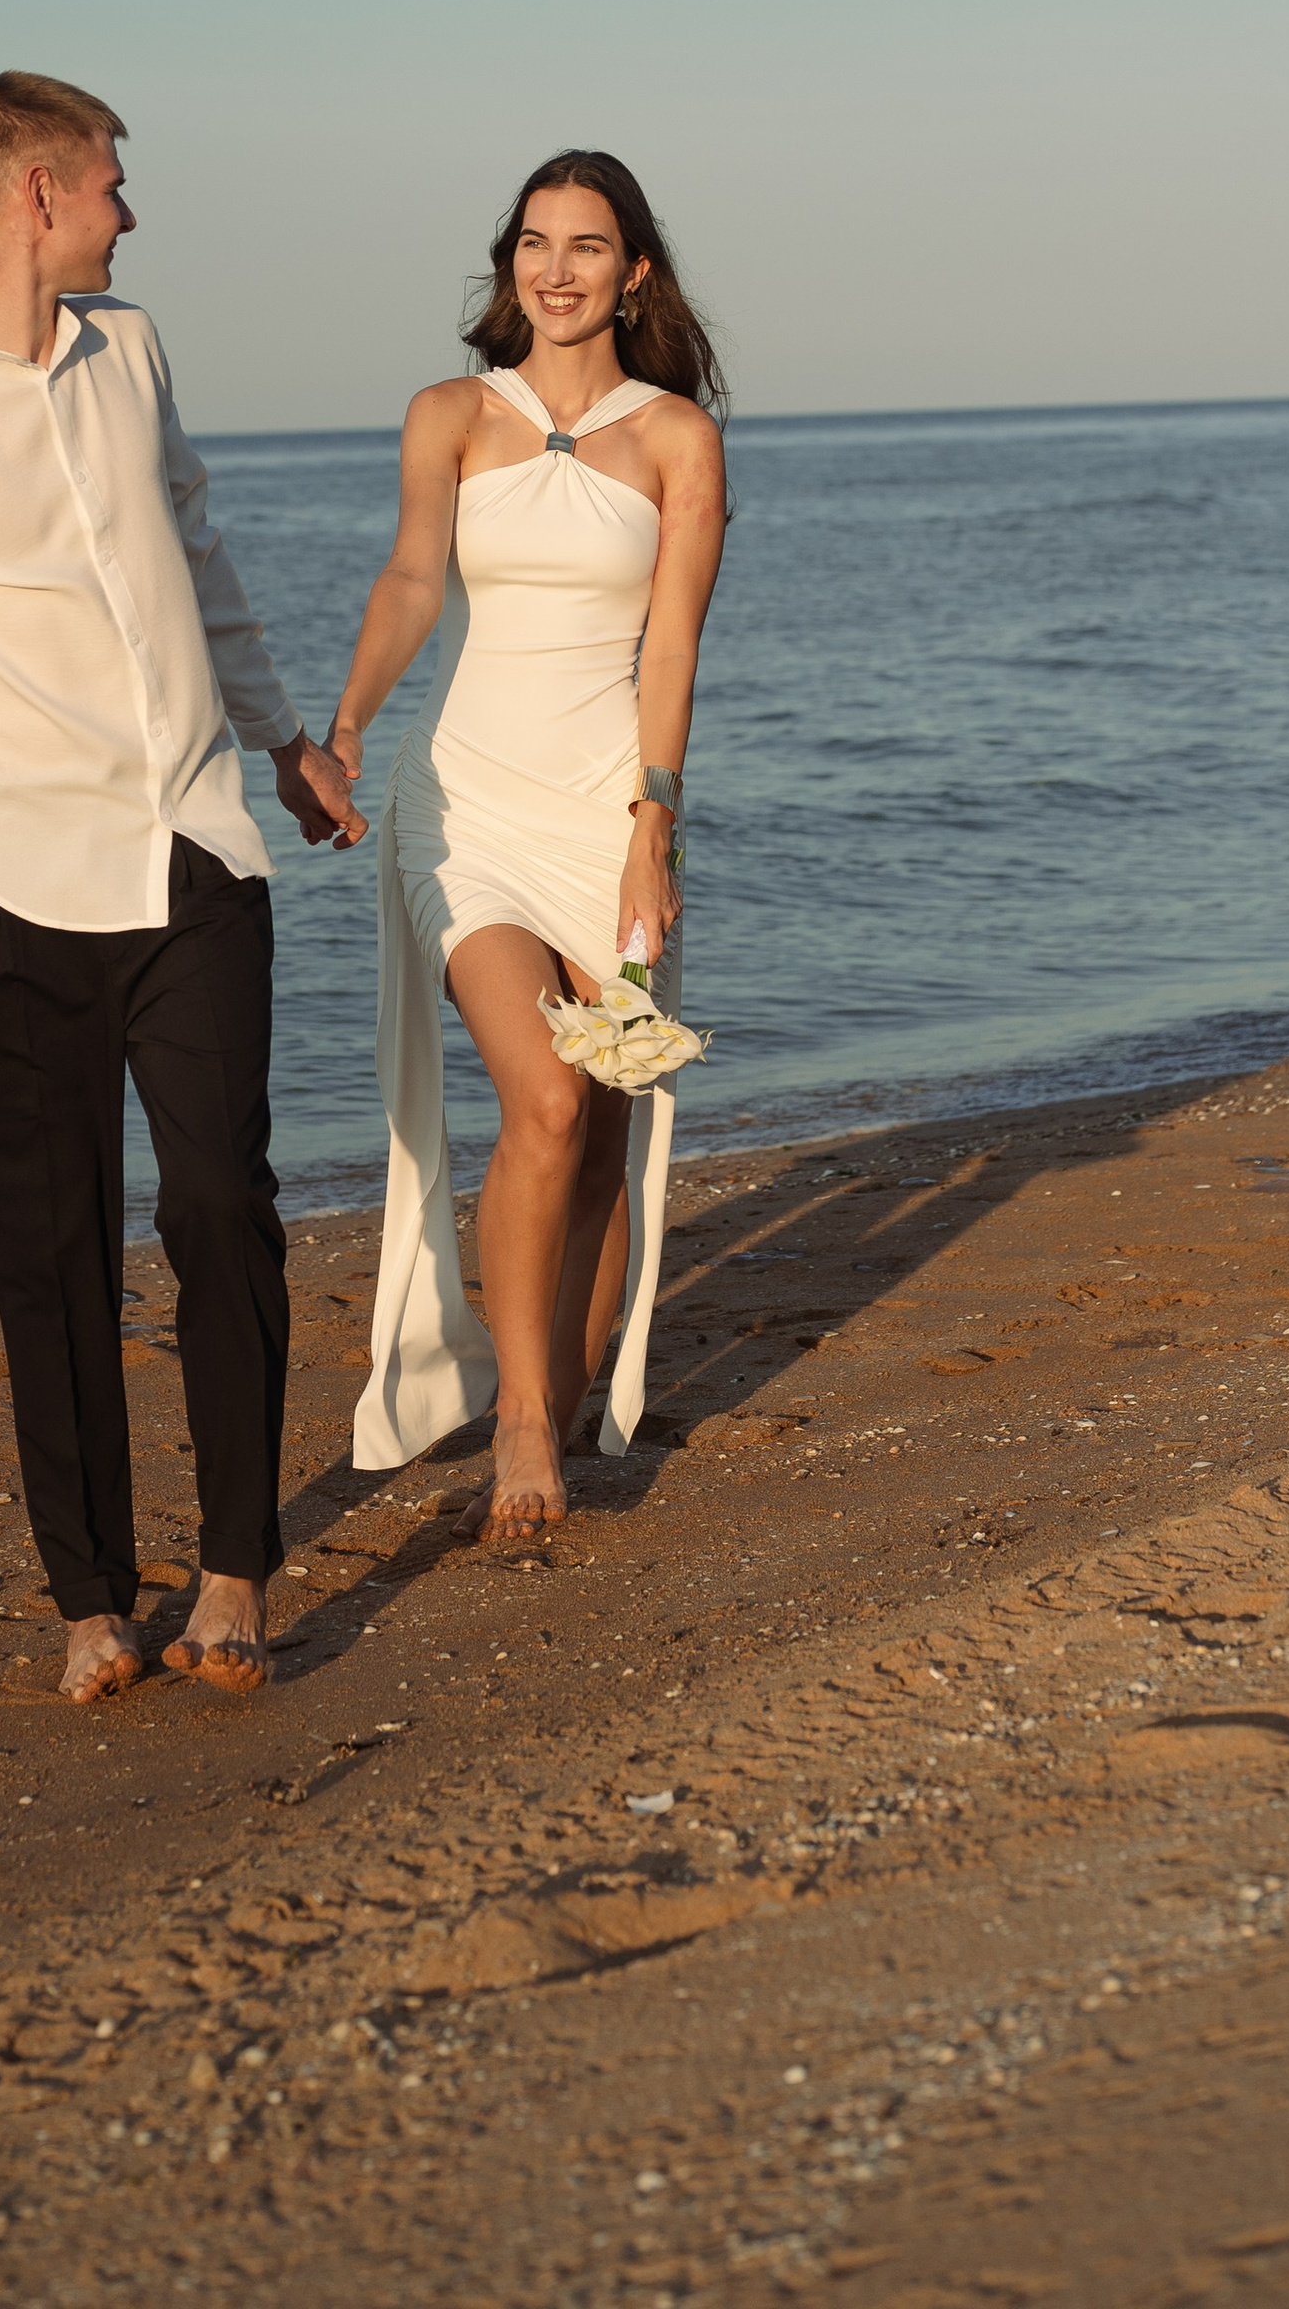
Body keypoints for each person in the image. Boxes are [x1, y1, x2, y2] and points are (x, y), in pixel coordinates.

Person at [0, 72, 358, 1704]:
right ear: (34, 194)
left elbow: (201, 551)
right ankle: (93, 1598)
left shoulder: (135, 351)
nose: (130, 209)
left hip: (189, 850)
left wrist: (287, 741)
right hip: (6, 884)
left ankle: (237, 1565)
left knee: (217, 1208)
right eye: (112, 181)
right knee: (52, 1249)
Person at [327, 150, 727, 1537]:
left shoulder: (678, 436)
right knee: (544, 1101)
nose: (558, 269)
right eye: (536, 242)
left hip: (609, 810)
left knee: (604, 1128)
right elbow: (411, 578)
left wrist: (651, 831)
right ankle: (519, 1419)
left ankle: (563, 1393)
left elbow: (671, 639)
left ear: (636, 273)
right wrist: (345, 723)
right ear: (511, 260)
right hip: (467, 806)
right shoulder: (449, 414)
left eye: (589, 246)